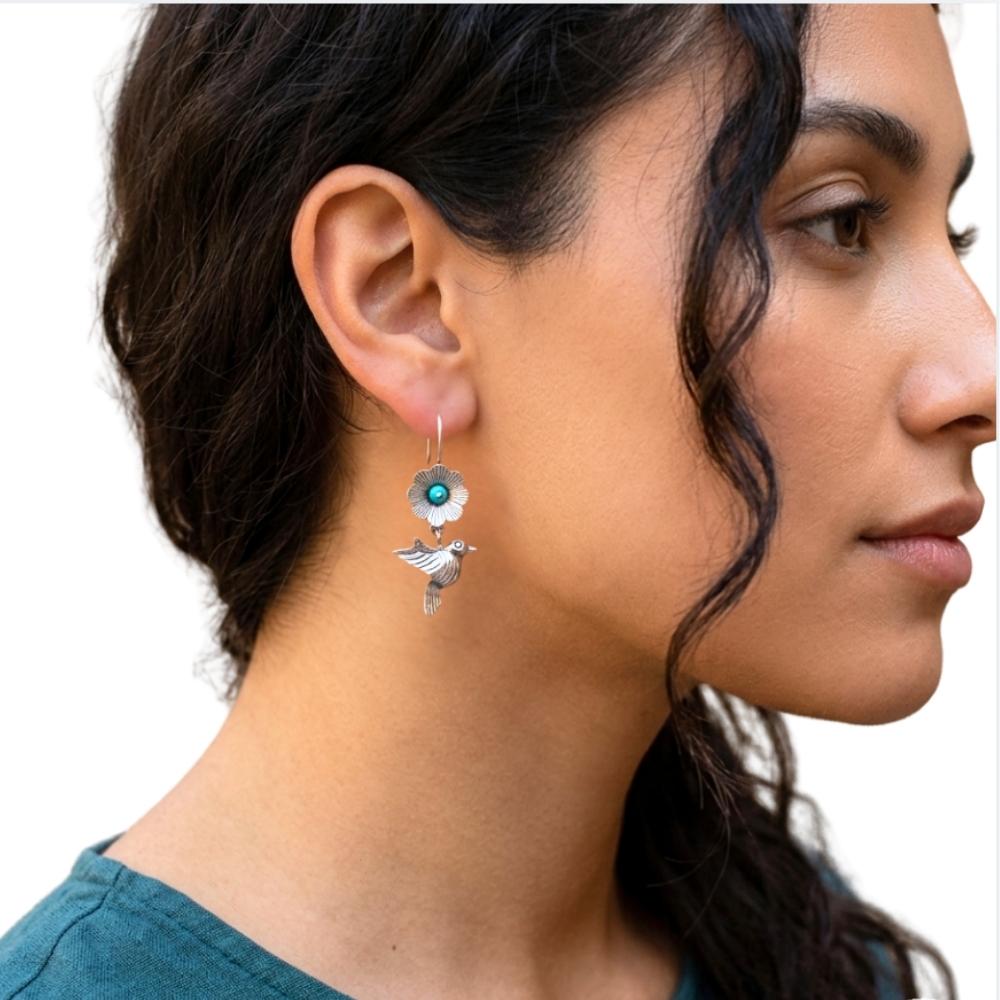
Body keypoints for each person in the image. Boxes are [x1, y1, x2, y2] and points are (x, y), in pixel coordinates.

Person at [0, 5, 993, 999]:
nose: (976, 372)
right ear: (405, 297)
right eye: (842, 220)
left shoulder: (805, 957)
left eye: (948, 235)